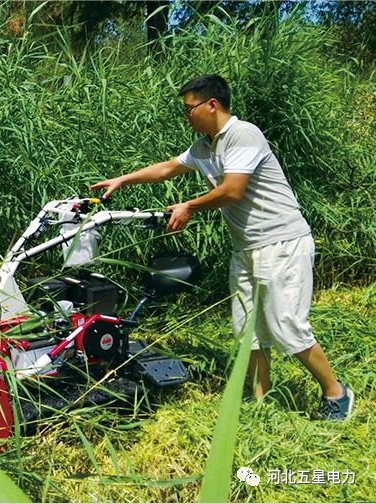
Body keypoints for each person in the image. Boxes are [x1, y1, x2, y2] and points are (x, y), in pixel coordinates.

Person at [91, 74, 354, 420]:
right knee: (249, 331)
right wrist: (123, 179)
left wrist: (189, 206)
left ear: (211, 105)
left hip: (281, 242)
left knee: (287, 324)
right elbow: (169, 167)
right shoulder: (205, 146)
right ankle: (262, 399)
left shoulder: (243, 134)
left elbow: (232, 190)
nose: (186, 117)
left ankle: (336, 394)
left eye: (189, 109)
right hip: (246, 248)